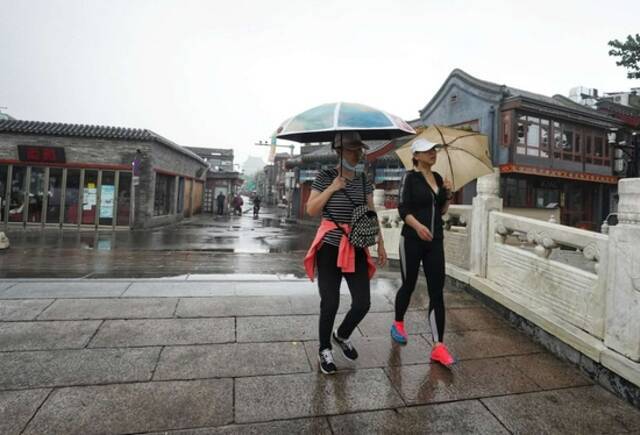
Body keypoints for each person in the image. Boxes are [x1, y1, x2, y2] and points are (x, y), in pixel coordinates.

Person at [303, 131, 388, 375]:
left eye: (360, 150)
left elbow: (371, 213)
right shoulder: (325, 176)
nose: (358, 154)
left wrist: (379, 243)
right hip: (329, 246)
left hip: (357, 245)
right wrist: (332, 188)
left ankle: (342, 334)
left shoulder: (363, 180)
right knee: (330, 302)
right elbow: (311, 209)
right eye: (353, 149)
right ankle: (324, 349)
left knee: (362, 303)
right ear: (339, 151)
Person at [390, 138, 456, 367]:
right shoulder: (409, 177)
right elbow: (402, 208)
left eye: (434, 150)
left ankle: (438, 345)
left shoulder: (437, 178)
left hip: (435, 240)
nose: (433, 153)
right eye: (427, 151)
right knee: (408, 285)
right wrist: (418, 227)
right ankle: (398, 322)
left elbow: (442, 211)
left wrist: (447, 193)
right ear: (416, 156)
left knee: (436, 292)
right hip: (412, 240)